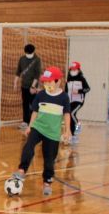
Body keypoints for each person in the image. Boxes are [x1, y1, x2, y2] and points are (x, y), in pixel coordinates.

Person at [12, 66, 70, 196]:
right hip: (38, 127)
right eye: (45, 82)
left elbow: (66, 114)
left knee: (49, 160)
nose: (47, 84)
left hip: (53, 133)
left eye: (49, 82)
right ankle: (22, 170)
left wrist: (67, 131)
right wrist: (30, 126)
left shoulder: (64, 97)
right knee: (28, 147)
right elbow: (35, 111)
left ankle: (47, 183)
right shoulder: (41, 94)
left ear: (58, 81)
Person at [13, 44, 42, 129]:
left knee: (33, 105)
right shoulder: (22, 59)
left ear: (33, 52)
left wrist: (33, 87)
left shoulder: (37, 60)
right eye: (27, 53)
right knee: (25, 104)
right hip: (24, 86)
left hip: (33, 87)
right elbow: (18, 71)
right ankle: (25, 122)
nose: (28, 55)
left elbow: (37, 75)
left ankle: (32, 123)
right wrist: (15, 82)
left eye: (30, 53)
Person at [65, 61, 90, 138]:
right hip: (70, 100)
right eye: (72, 69)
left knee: (72, 113)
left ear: (78, 70)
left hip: (79, 101)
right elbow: (66, 90)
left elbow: (88, 89)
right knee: (71, 115)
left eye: (75, 69)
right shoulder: (68, 79)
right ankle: (73, 135)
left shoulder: (82, 79)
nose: (73, 71)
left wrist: (79, 91)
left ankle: (78, 126)